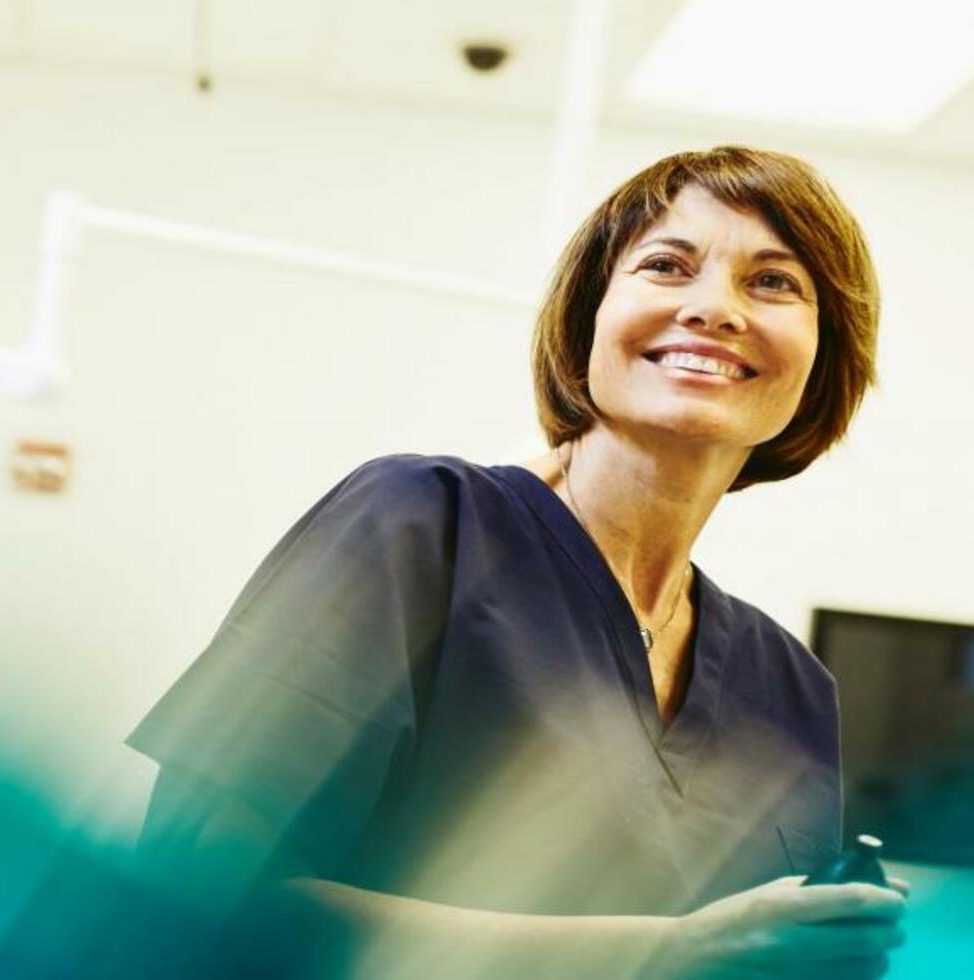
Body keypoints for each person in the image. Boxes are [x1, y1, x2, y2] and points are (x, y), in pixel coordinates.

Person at [126, 146, 910, 979]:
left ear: (822, 359)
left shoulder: (789, 686)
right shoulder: (420, 525)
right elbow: (189, 893)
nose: (714, 309)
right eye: (665, 265)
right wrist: (667, 954)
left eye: (773, 282)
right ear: (588, 322)